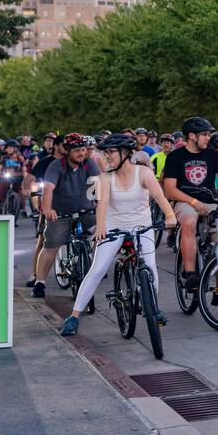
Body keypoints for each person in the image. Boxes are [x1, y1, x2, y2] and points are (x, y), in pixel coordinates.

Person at [60, 134, 176, 337]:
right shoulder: (105, 178)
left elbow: (159, 196)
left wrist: (170, 215)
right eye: (105, 153)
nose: (107, 156)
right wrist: (101, 226)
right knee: (97, 269)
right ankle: (74, 316)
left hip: (142, 225)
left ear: (125, 153)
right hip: (113, 226)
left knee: (149, 265)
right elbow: (102, 203)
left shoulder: (143, 173)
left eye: (111, 152)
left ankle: (153, 308)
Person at [162, 117, 218, 300]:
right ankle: (191, 274)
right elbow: (170, 189)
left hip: (209, 200)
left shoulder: (212, 154)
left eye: (209, 134)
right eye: (205, 134)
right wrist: (192, 202)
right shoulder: (176, 157)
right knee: (189, 222)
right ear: (192, 136)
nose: (208, 138)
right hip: (184, 201)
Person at [34, 133, 101, 300]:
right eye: (77, 150)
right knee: (51, 246)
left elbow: (99, 183)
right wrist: (48, 209)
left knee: (100, 236)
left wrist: (101, 204)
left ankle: (91, 264)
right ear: (68, 151)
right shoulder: (57, 166)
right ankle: (39, 282)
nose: (81, 153)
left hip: (87, 212)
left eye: (83, 149)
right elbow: (48, 188)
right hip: (61, 213)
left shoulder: (89, 163)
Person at [24, 134, 64, 288]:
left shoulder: (70, 162)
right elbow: (28, 180)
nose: (68, 149)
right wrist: (28, 189)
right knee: (42, 239)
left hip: (67, 204)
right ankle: (35, 274)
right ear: (56, 146)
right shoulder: (44, 162)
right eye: (64, 145)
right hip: (48, 205)